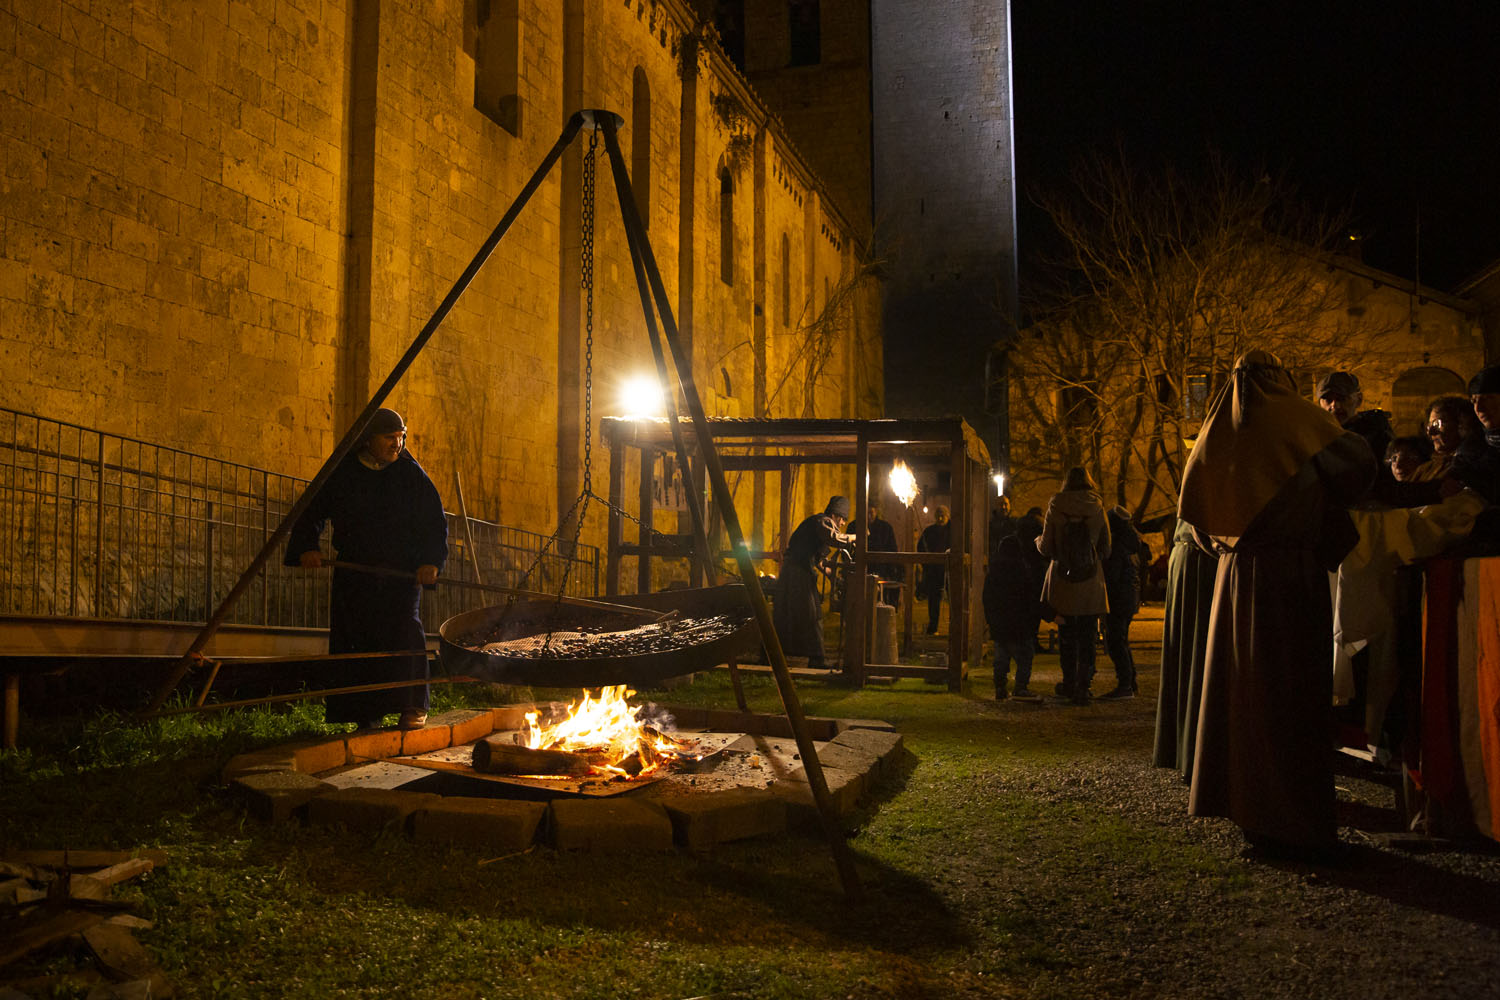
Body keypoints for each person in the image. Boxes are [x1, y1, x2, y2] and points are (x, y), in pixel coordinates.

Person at [1180, 351, 1377, 861]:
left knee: (1243, 697)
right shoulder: (1300, 421)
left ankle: (1251, 814)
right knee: (1290, 696)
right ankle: (1294, 821)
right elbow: (1360, 467)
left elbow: (1198, 523)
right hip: (1290, 580)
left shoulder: (1213, 435)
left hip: (1235, 582)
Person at [285, 408, 448, 731]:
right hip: (354, 572)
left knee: (404, 634)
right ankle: (365, 711)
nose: (396, 445)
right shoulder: (343, 473)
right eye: (389, 438)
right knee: (357, 638)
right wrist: (307, 546)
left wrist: (430, 561)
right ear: (368, 439)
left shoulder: (410, 475)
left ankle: (412, 705)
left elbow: (433, 520)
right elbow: (312, 508)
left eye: (401, 437)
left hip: (399, 574)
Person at [1151, 518, 1218, 780]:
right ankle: (1194, 751)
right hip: (1201, 561)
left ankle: (1187, 749)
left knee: (1191, 656)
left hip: (1192, 559)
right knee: (1198, 655)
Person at [1037, 467, 1110, 704]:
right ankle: (1083, 684)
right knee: (1088, 636)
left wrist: (1039, 542)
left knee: (1066, 634)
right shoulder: (1097, 506)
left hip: (1063, 580)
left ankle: (1068, 682)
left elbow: (1046, 547)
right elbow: (1106, 548)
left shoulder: (1056, 506)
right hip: (1090, 580)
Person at [773, 495, 854, 669]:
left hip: (795, 571)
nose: (842, 524)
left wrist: (830, 574)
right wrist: (854, 537)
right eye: (843, 520)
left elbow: (818, 559)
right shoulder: (822, 522)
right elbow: (835, 538)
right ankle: (817, 658)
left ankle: (771, 654)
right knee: (813, 614)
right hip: (797, 572)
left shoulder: (818, 526)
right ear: (836, 515)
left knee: (786, 614)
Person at [983, 533, 1041, 700]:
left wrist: (991, 620)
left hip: (1000, 624)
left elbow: (987, 598)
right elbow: (1030, 598)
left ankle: (1000, 687)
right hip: (1019, 625)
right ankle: (1020, 687)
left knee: (1001, 657)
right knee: (1025, 656)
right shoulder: (1022, 570)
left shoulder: (994, 572)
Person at [1099, 505, 1142, 699]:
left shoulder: (1117, 546)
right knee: (1122, 640)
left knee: (1116, 641)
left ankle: (1125, 684)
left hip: (1118, 599)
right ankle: (1130, 681)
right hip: (1129, 598)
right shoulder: (1131, 543)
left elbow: (1112, 576)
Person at [1316, 371, 1393, 470]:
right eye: (1328, 400)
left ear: (1359, 399)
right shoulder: (1315, 436)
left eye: (1342, 399)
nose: (1335, 406)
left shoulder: (1378, 435)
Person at [917, 505, 952, 634]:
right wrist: (927, 565)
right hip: (934, 571)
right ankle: (933, 627)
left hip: (950, 570)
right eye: (938, 516)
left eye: (943, 515)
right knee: (933, 600)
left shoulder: (954, 531)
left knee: (954, 599)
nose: (941, 518)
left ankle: (955, 626)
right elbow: (920, 548)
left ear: (948, 516)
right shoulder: (929, 531)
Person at [850, 503, 901, 583]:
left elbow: (892, 549)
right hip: (859, 571)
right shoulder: (853, 526)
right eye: (866, 513)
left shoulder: (886, 528)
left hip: (880, 571)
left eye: (871, 512)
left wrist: (890, 572)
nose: (868, 516)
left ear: (876, 512)